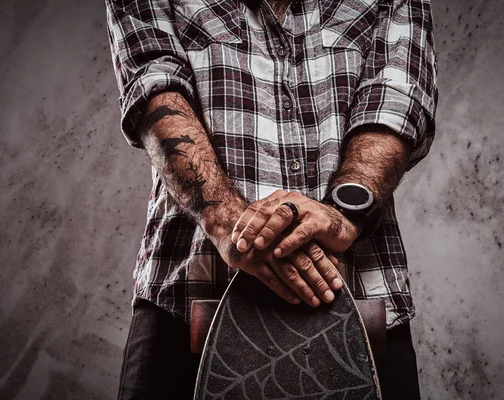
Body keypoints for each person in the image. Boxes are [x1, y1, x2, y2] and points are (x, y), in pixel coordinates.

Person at [105, 0, 437, 398]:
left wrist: (342, 214)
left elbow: (397, 95)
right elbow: (155, 86)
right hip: (186, 303)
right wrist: (229, 222)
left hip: (363, 301)